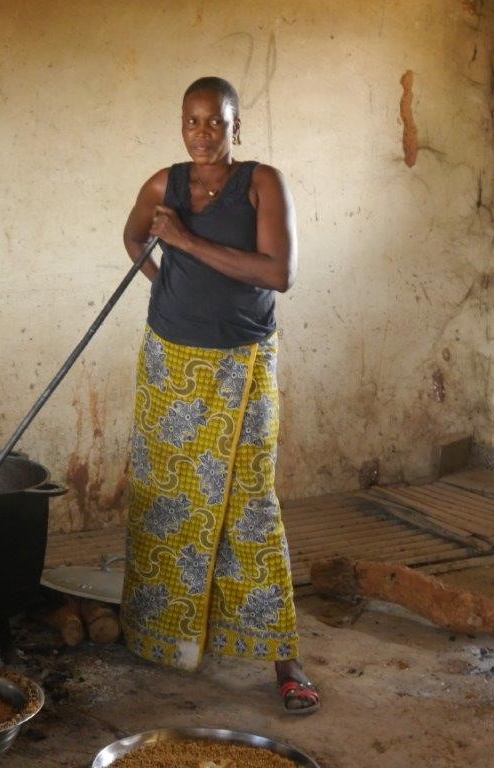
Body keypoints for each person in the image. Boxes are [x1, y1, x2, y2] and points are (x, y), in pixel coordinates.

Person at [119, 76, 319, 714]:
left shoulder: (263, 182)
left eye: (215, 122)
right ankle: (162, 638)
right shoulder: (163, 184)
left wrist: (186, 246)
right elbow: (132, 238)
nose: (202, 134)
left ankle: (283, 658)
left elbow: (277, 273)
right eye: (191, 121)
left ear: (237, 126)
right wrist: (167, 286)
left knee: (250, 504)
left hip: (241, 363)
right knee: (166, 499)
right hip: (169, 362)